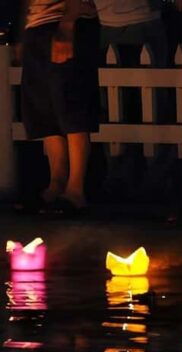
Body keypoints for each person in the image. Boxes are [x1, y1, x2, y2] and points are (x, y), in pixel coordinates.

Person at [18, 0, 100, 214]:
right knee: (46, 109)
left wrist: (67, 24)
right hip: (36, 24)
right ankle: (57, 183)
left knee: (71, 105)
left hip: (67, 21)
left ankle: (76, 189)